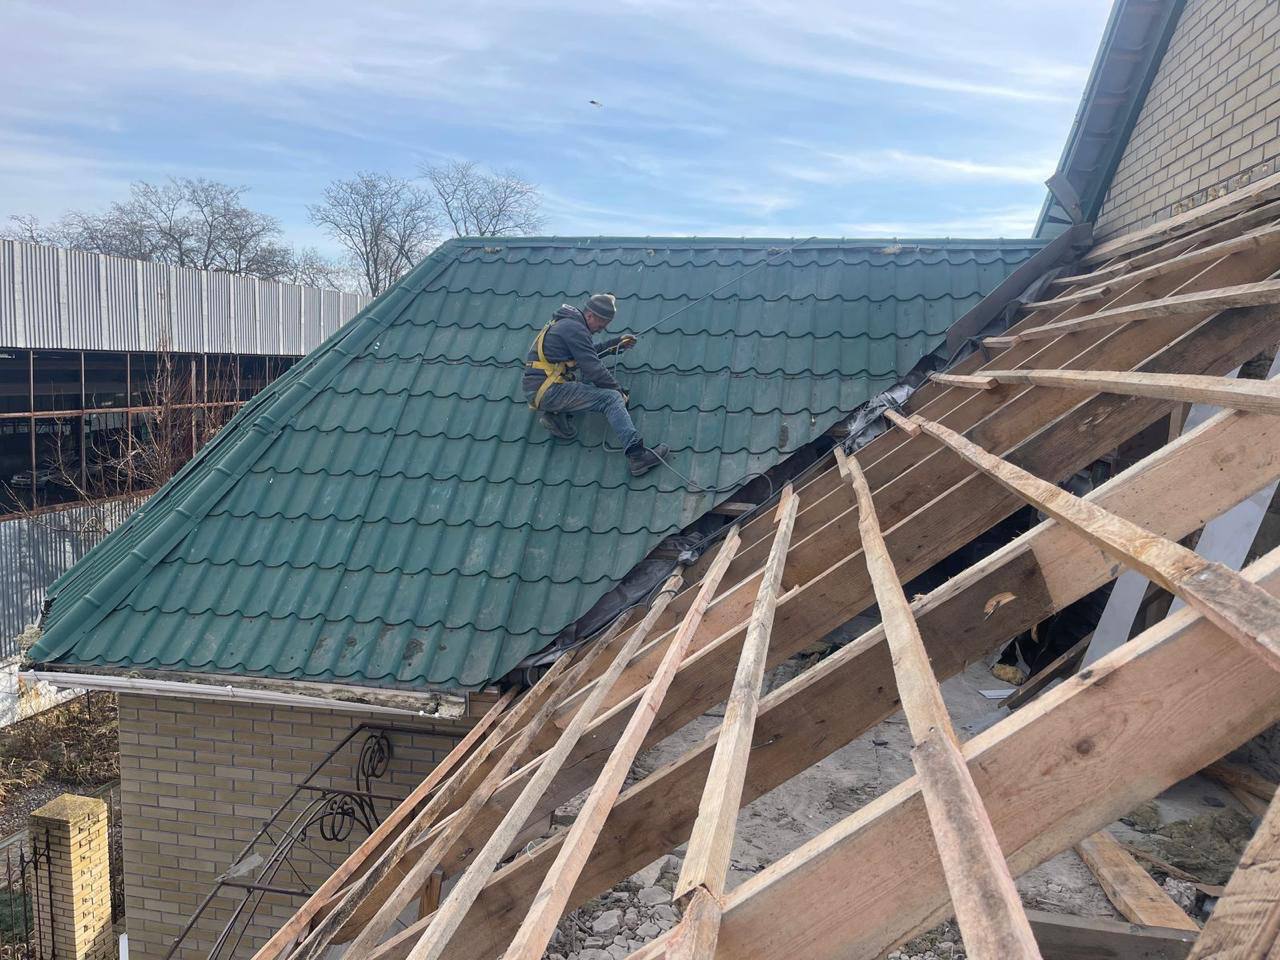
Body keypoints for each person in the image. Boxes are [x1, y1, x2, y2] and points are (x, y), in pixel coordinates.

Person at [523, 293, 670, 476]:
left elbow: (587, 352)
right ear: (590, 315)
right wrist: (618, 391)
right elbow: (593, 368)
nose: (600, 330)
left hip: (541, 389)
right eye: (601, 325)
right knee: (611, 399)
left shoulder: (568, 324)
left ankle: (556, 417)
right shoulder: (574, 329)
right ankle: (637, 456)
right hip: (549, 390)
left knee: (588, 382)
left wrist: (617, 344)